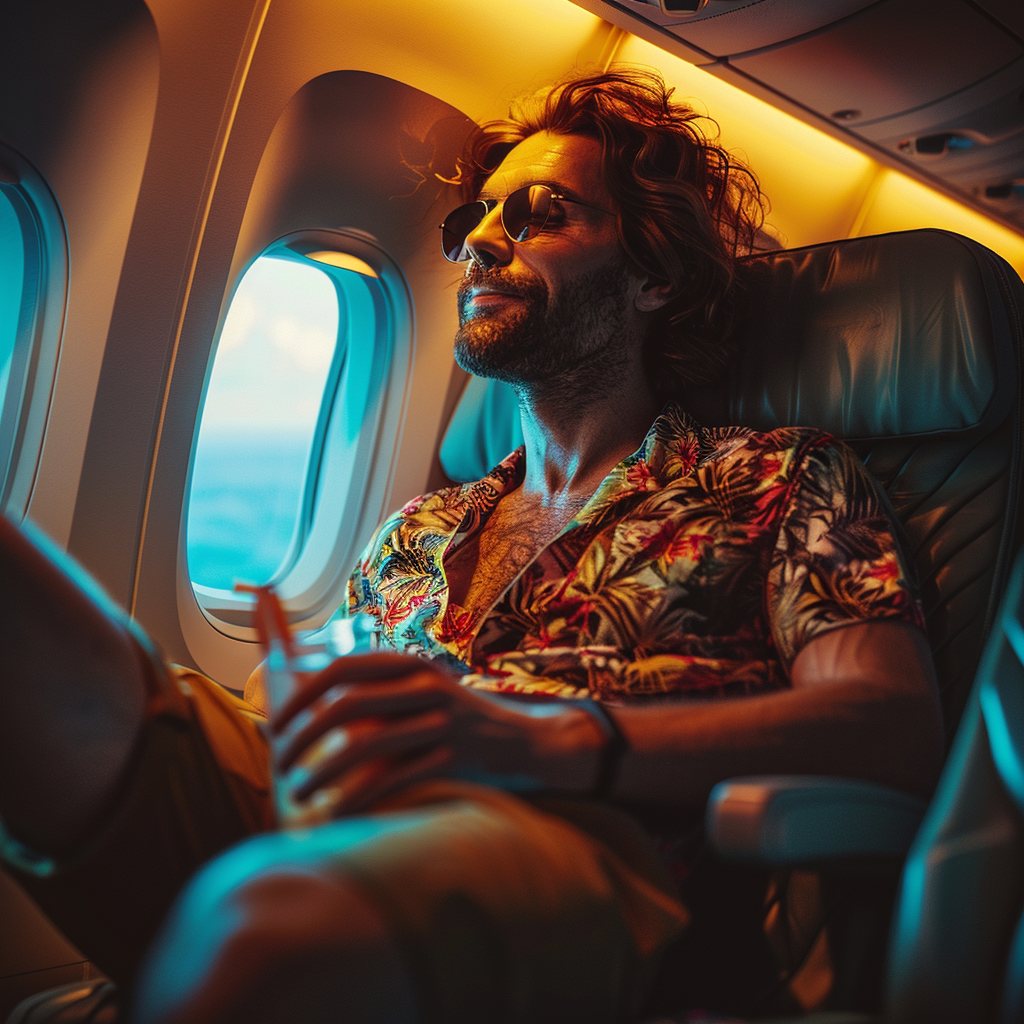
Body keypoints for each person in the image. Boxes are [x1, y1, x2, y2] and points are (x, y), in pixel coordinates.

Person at [0, 68, 943, 1023]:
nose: (482, 242)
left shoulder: (777, 477)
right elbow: (303, 693)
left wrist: (542, 739)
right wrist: (291, 701)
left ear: (654, 275)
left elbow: (891, 722)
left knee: (266, 924)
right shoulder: (424, 525)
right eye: (477, 221)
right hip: (326, 806)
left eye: (540, 214)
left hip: (558, 843)